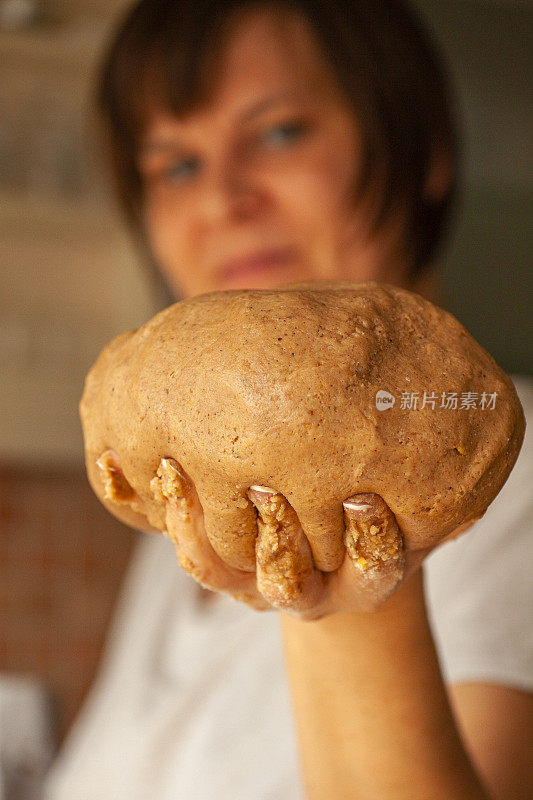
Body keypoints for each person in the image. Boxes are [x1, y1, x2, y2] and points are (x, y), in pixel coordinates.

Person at [45, 1, 533, 798]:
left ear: (426, 150)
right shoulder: (199, 504)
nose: (221, 199)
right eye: (176, 166)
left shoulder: (501, 474)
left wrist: (349, 604)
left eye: (278, 133)